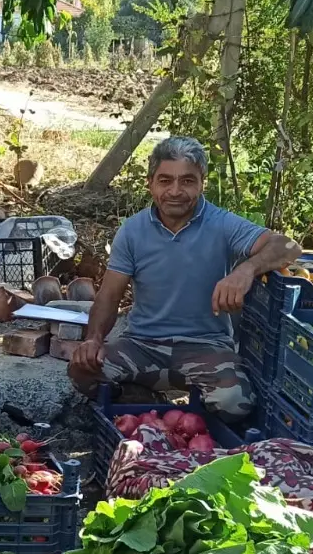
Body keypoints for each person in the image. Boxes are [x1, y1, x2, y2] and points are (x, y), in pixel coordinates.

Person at [69, 136, 300, 422]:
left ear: (202, 183)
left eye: (187, 181)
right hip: (142, 345)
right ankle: (147, 404)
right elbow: (109, 295)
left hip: (205, 346)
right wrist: (93, 339)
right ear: (150, 183)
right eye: (165, 181)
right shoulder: (132, 231)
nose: (175, 191)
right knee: (82, 372)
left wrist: (245, 270)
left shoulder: (222, 224)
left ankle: (192, 423)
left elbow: (289, 247)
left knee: (234, 403)